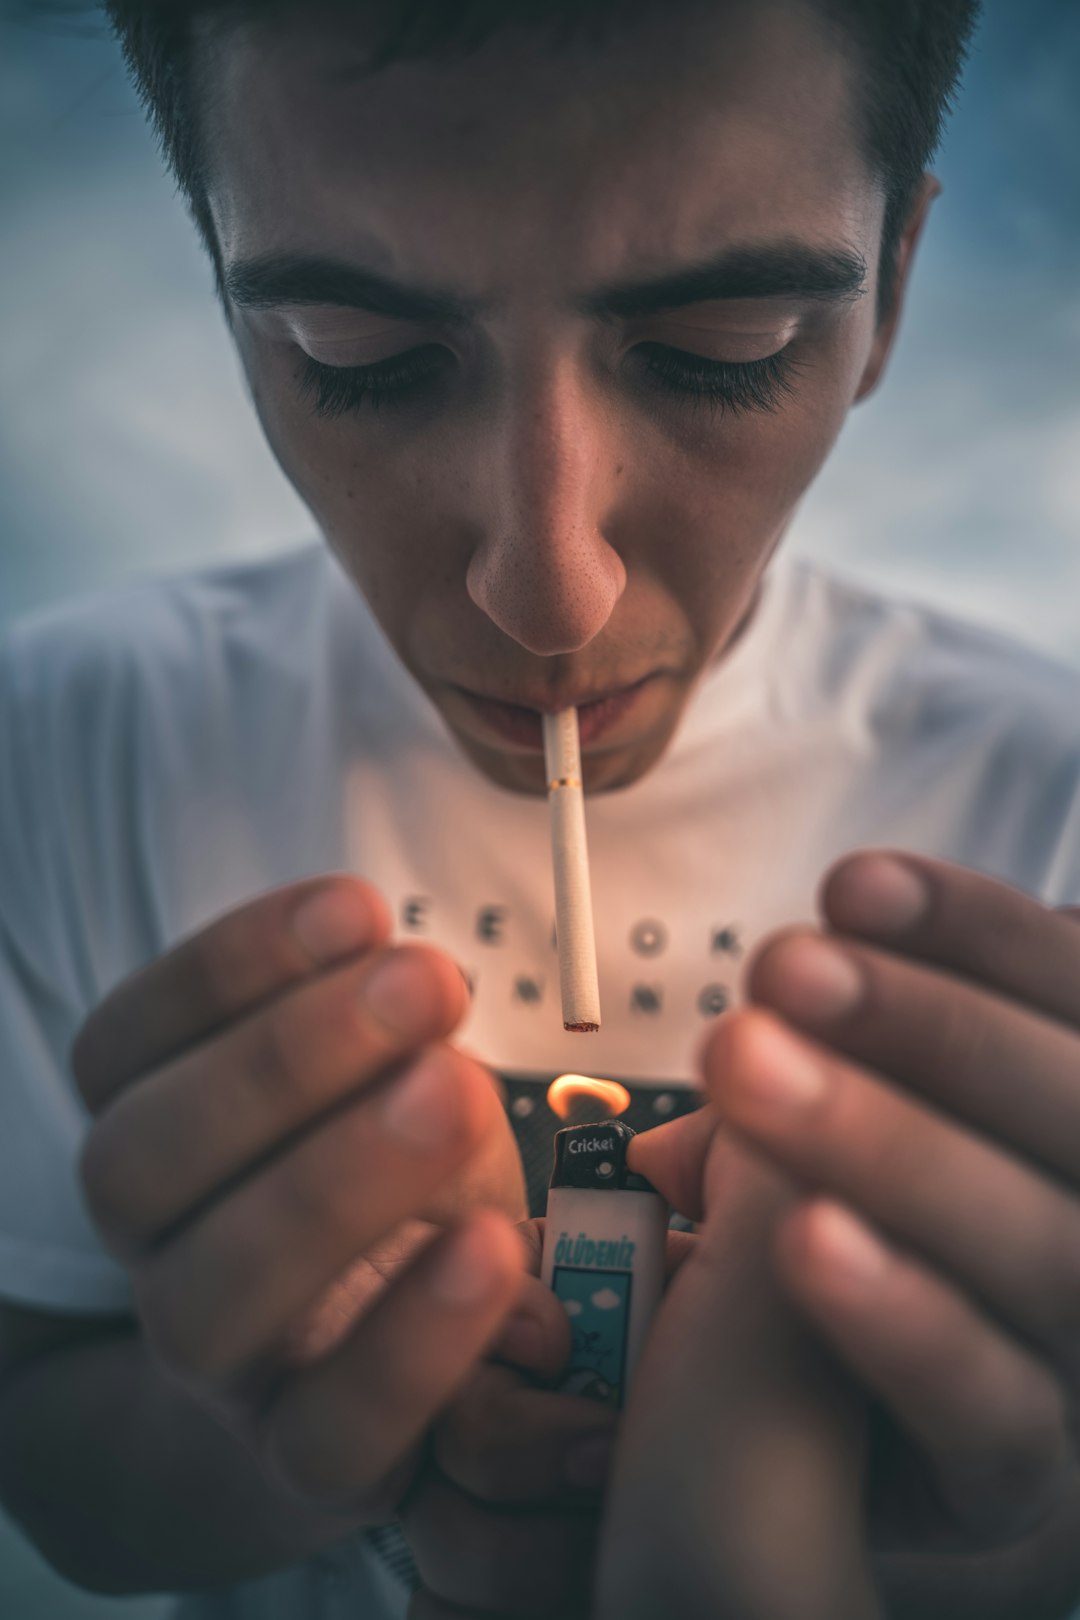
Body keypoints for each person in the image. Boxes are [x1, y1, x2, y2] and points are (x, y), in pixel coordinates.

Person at [3, 1, 1080, 1617]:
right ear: (230, 296)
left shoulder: (1046, 800)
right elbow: (59, 1460)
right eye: (353, 361)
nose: (549, 593)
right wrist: (269, 1429)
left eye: (724, 348)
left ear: (894, 292)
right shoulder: (68, 744)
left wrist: (977, 1509)